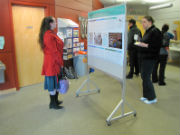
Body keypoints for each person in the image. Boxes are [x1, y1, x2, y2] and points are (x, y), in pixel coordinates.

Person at [39, 16, 64, 109]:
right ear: (50, 23)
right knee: (52, 83)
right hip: (52, 62)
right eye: (54, 22)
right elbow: (54, 51)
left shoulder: (50, 33)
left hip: (53, 61)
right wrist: (60, 62)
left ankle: (55, 101)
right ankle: (52, 103)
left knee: (56, 82)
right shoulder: (48, 35)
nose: (56, 23)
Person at [137, 16, 162, 104]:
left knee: (146, 77)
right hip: (144, 57)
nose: (142, 24)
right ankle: (145, 95)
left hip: (150, 58)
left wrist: (145, 45)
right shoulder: (148, 31)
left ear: (150, 22)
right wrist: (140, 44)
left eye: (144, 22)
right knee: (143, 76)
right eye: (142, 22)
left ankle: (152, 98)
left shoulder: (155, 31)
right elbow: (146, 42)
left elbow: (157, 46)